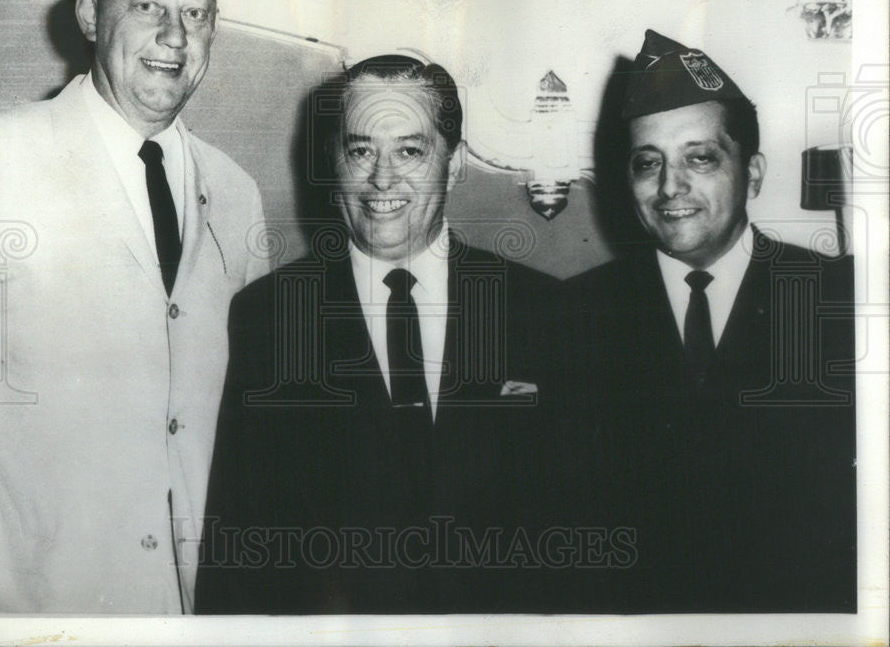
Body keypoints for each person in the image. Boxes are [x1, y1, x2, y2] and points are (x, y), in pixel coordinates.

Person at [0, 0, 269, 614]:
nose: (176, 38)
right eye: (148, 6)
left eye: (198, 15)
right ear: (89, 13)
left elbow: (249, 438)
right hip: (24, 612)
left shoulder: (237, 196)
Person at [195, 55, 585, 614]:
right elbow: (238, 554)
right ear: (334, 162)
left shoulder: (541, 311)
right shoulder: (269, 318)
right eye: (360, 151)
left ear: (453, 164)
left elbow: (579, 535)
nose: (382, 178)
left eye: (409, 151)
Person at [562, 30, 856, 612]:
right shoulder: (575, 315)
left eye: (700, 158)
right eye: (649, 163)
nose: (670, 187)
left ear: (751, 174)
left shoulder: (839, 301)